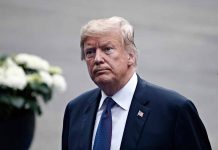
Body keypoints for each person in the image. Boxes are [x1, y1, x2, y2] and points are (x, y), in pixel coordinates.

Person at [62, 16, 211, 150]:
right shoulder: (76, 110)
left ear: (131, 56)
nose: (98, 59)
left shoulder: (174, 110)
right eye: (90, 52)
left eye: (107, 49)